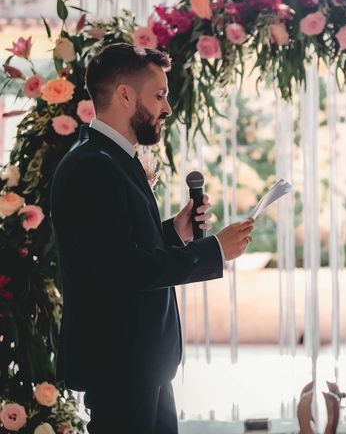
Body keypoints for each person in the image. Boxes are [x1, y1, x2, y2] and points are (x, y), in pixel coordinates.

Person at [50, 43, 254, 434]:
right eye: (159, 95)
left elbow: (121, 247)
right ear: (125, 95)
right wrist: (213, 250)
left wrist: (174, 231)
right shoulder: (93, 166)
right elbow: (122, 269)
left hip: (142, 364)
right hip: (119, 364)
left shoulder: (114, 158)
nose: (168, 108)